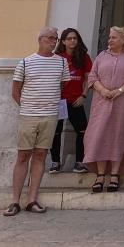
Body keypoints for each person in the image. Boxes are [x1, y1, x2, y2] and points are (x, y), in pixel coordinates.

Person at [5, 27, 71, 216]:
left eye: (55, 39)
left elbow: (62, 84)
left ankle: (32, 198)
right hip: (28, 115)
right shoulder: (26, 62)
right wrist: (27, 107)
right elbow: (15, 90)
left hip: (50, 115)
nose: (53, 41)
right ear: (40, 39)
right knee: (23, 155)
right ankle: (15, 200)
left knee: (41, 154)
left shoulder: (61, 63)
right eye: (50, 38)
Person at [84, 26, 124, 192]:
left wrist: (120, 90)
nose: (110, 40)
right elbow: (92, 76)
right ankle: (101, 174)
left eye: (113, 38)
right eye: (109, 37)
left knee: (119, 135)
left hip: (123, 103)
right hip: (102, 102)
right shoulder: (102, 56)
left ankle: (115, 174)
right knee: (101, 135)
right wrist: (103, 90)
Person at [49, 28, 92, 174]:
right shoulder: (57, 57)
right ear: (63, 41)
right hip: (59, 101)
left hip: (76, 100)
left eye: (75, 38)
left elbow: (88, 78)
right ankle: (55, 162)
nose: (72, 41)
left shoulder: (84, 57)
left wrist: (84, 96)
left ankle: (79, 162)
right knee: (55, 132)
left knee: (83, 131)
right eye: (69, 38)